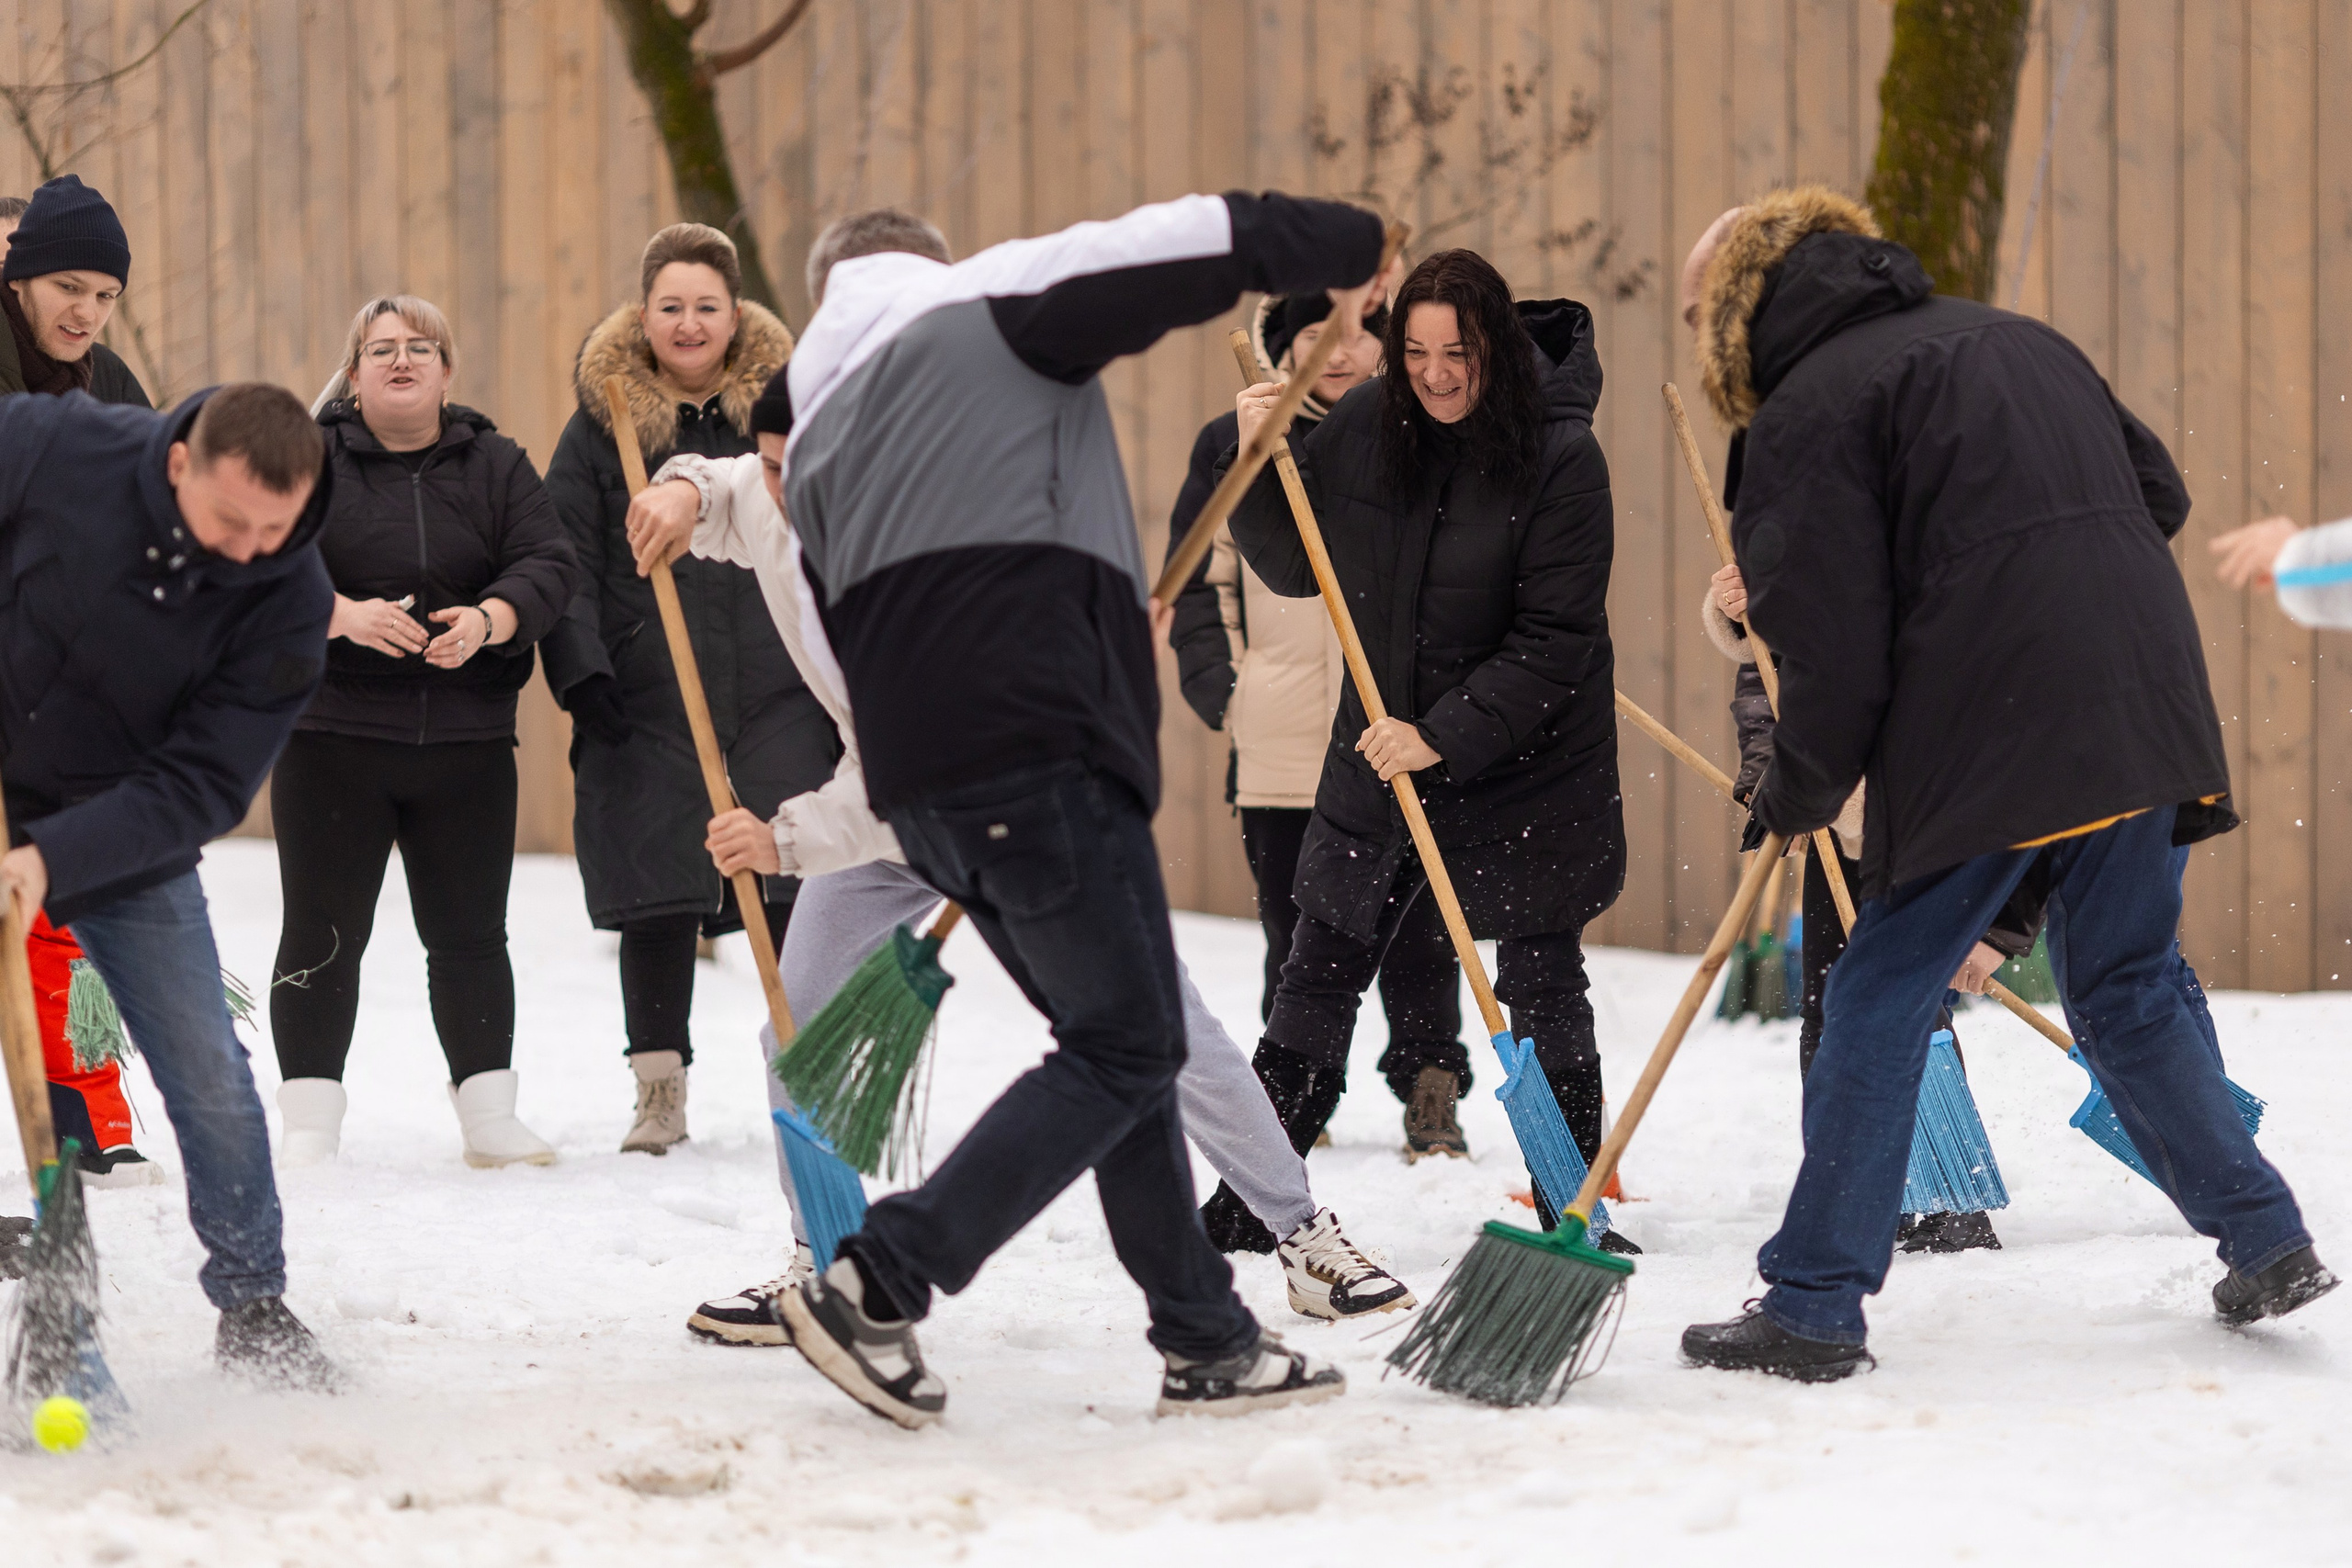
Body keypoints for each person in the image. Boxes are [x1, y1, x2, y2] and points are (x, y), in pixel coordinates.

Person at [628, 214, 1413, 1348]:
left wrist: (792, 839)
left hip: (959, 793)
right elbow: (723, 478)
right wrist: (680, 492)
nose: (795, 477)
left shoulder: (945, 457)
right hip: (908, 805)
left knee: (1148, 1032)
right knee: (814, 1030)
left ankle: (1298, 1236)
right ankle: (822, 1262)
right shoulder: (780, 469)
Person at [1677, 186, 2331, 1383]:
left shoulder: (1808, 410)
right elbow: (2161, 496)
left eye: (1694, 312)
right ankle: (2265, 1232)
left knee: (1877, 993)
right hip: (2143, 702)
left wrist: (1794, 784)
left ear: (1740, 311)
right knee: (2126, 989)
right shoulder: (2019, 337)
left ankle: (1816, 1300)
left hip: (1993, 726)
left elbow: (1829, 635)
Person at [1225, 248, 1632, 1246]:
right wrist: (1254, 461)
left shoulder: (1561, 457)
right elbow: (1290, 567)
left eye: (1456, 351)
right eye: (1413, 351)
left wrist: (1440, 736)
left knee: (1538, 985)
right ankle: (1252, 1203)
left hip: (1528, 762)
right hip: (1376, 742)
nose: (1436, 373)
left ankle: (1568, 1198)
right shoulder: (1366, 423)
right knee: (1317, 967)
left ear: (1491, 344)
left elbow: (1554, 644)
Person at [0, 379, 344, 1389]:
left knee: (206, 1074)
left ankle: (254, 1301)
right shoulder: (62, 446)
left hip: (124, 829)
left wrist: (50, 857)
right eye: (232, 520)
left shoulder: (292, 599)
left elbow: (202, 786)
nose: (249, 548)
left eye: (274, 529)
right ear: (180, 460)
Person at [1164, 288, 1476, 1200]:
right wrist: (1226, 692)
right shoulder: (1240, 440)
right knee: (1295, 929)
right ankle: (1299, 1096)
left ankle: (1429, 1085)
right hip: (1282, 742)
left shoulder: (1425, 439)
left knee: (1421, 930)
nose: (1338, 355)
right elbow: (1194, 578)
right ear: (1280, 347)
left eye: (1357, 337)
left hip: (1403, 734)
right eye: (1314, 338)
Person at [539, 224, 838, 1156]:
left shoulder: (786, 412)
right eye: (670, 305)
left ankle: (810, 1068)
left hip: (779, 681)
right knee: (658, 885)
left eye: (706, 304)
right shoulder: (604, 423)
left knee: (791, 868)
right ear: (643, 315)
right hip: (650, 686)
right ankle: (659, 1089)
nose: (688, 322)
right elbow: (567, 556)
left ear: (736, 313)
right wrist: (582, 668)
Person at [266, 296, 576, 1168]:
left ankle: (489, 1119)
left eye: (419, 347)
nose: (401, 361)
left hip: (468, 743)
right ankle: (309, 1126)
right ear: (354, 373)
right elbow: (254, 561)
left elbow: (549, 563)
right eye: (380, 350)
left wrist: (491, 618)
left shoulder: (499, 465)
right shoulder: (305, 462)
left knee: (472, 935)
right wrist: (337, 615)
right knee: (321, 932)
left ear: (447, 369)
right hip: (333, 738)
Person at [1702, 561, 2017, 1255]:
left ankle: (1946, 1195)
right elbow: (1765, 674)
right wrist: (1748, 612)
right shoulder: (1800, 508)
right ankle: (1850, 1192)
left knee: (1909, 996)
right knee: (1831, 999)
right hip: (1837, 801)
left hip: (1924, 789)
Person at [2, 180, 168, 1190]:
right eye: (68, 285)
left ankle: (81, 1114)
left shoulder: (113, 384)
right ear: (18, 277)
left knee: (62, 904)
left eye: (104, 294)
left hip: (71, 688)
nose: (85, 311)